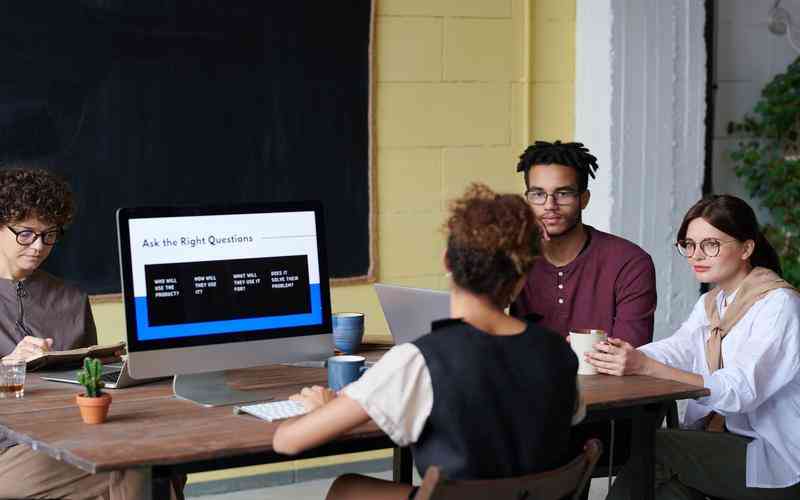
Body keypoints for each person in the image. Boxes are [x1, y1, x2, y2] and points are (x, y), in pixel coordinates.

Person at [274, 184, 584, 500]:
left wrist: (316, 411)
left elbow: (286, 442)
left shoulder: (420, 359)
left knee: (346, 489)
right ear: (523, 276)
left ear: (447, 261)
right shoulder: (559, 352)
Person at [587, 194, 800, 499]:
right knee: (668, 492)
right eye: (689, 244)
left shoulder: (779, 305)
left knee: (653, 447)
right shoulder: (713, 304)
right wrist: (618, 355)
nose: (696, 255)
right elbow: (680, 348)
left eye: (711, 244)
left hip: (775, 456)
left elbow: (742, 390)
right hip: (728, 440)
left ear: (746, 248)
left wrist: (646, 366)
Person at [0, 165, 184, 499]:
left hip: (71, 434)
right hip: (7, 449)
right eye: (26, 233)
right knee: (133, 468)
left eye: (49, 234)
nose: (39, 246)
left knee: (152, 455)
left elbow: (90, 382)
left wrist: (120, 368)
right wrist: (7, 365)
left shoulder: (71, 298)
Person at [511, 140, 658, 472]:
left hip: (606, 416)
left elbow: (623, 355)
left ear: (584, 198)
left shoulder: (628, 262)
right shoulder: (515, 261)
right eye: (538, 194)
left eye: (563, 193)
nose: (549, 205)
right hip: (528, 408)